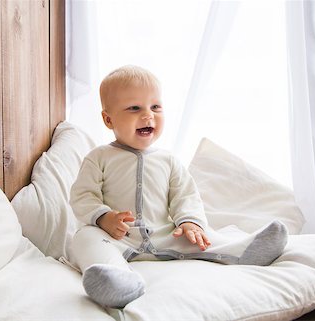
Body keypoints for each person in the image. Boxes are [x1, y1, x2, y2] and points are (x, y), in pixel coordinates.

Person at [68, 65, 288, 308]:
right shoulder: (99, 157)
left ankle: (244, 249)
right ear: (108, 119)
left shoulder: (168, 160)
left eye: (156, 107)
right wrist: (103, 218)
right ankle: (118, 280)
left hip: (164, 235)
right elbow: (82, 196)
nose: (148, 115)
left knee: (200, 236)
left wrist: (189, 221)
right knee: (84, 239)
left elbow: (185, 196)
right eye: (134, 108)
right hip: (118, 237)